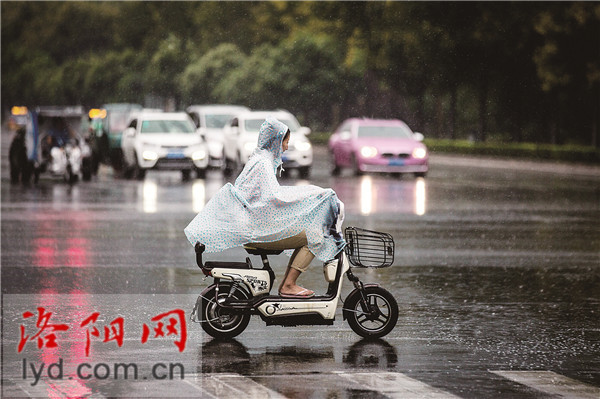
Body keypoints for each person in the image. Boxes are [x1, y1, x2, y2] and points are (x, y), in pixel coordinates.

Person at [184, 116, 345, 298]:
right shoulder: (262, 164)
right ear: (276, 140)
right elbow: (274, 199)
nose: (285, 147)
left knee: (309, 232)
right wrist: (311, 196)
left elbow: (270, 197)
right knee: (315, 236)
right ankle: (289, 285)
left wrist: (309, 195)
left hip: (255, 226)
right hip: (256, 230)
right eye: (285, 142)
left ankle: (287, 284)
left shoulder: (260, 160)